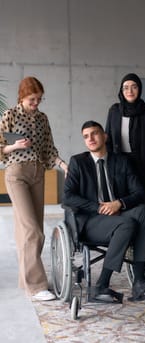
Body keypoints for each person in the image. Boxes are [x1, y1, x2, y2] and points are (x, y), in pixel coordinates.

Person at [63, 120, 145, 302]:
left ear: (105, 136)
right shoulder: (78, 162)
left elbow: (140, 192)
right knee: (127, 224)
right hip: (92, 220)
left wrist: (119, 203)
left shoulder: (121, 161)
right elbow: (68, 197)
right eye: (86, 136)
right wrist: (98, 207)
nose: (90, 139)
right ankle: (101, 285)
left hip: (119, 212)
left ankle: (139, 283)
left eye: (95, 134)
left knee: (143, 211)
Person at [0, 77, 68, 301]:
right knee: (33, 231)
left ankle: (25, 280)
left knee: (29, 230)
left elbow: (48, 148)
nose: (36, 103)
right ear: (22, 96)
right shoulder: (10, 115)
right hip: (16, 174)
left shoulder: (42, 118)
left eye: (39, 99)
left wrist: (63, 164)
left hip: (38, 174)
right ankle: (37, 286)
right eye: (32, 99)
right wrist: (14, 145)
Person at [105, 73, 145, 260]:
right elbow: (107, 141)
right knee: (128, 215)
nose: (130, 91)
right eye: (126, 87)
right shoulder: (114, 111)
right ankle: (133, 259)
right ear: (121, 91)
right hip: (120, 172)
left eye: (134, 87)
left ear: (139, 89)